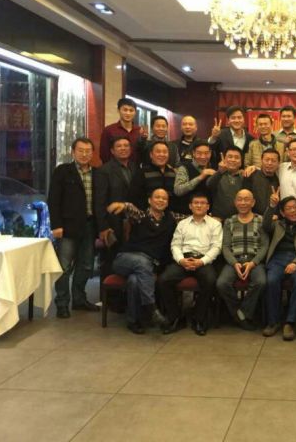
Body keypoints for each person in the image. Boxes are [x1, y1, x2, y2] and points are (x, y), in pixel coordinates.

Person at [107, 188, 181, 334]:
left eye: (164, 198)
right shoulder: (141, 216)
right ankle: (152, 308)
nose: (160, 200)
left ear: (167, 203)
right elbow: (131, 210)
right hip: (125, 259)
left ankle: (133, 321)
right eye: (157, 197)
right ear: (149, 200)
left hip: (148, 265)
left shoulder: (172, 217)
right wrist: (124, 205)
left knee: (134, 281)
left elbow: (194, 216)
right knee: (142, 262)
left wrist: (212, 217)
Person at [156, 193, 223, 336]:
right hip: (184, 259)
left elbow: (216, 247)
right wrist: (181, 260)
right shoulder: (182, 224)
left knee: (210, 280)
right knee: (163, 280)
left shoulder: (215, 224)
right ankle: (175, 317)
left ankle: (198, 318)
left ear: (208, 207)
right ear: (190, 206)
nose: (199, 205)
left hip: (203, 260)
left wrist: (201, 261)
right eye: (196, 203)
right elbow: (175, 245)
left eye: (202, 203)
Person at [48, 137, 99, 318]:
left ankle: (79, 299)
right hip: (67, 227)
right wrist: (56, 225)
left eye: (88, 151)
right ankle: (62, 303)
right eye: (80, 150)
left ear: (92, 153)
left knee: (86, 265)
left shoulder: (97, 173)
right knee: (64, 266)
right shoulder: (63, 171)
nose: (84, 154)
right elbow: (53, 200)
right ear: (73, 152)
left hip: (90, 225)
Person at [262, 195, 296, 340]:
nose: (293, 211)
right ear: (283, 212)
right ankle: (273, 321)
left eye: (295, 207)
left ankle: (290, 322)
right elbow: (265, 225)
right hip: (278, 259)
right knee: (271, 281)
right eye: (289, 208)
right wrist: (271, 206)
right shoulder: (277, 224)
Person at [216, 189, 268, 330]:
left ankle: (242, 313)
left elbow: (264, 245)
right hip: (234, 261)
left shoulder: (261, 220)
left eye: (247, 199)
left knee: (261, 282)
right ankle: (238, 313)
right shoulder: (229, 221)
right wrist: (234, 263)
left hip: (254, 260)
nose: (243, 202)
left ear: (253, 202)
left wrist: (253, 263)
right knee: (221, 283)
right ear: (235, 202)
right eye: (240, 199)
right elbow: (225, 246)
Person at [94, 137, 137, 277]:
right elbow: (99, 201)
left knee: (130, 261)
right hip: (113, 223)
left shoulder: (135, 167)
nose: (123, 148)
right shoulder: (104, 170)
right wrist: (103, 227)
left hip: (133, 222)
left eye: (126, 145)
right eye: (119, 146)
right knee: (110, 262)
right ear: (112, 151)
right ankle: (107, 292)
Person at [128, 141, 177, 212]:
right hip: (147, 215)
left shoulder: (173, 173)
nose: (162, 154)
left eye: (165, 152)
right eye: (158, 152)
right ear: (151, 155)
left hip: (170, 216)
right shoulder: (142, 172)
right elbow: (133, 197)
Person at [173, 140, 216, 214]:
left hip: (208, 214)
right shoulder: (184, 168)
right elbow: (178, 191)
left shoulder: (214, 169)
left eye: (206, 153)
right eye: (199, 153)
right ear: (193, 153)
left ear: (210, 153)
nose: (203, 156)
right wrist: (200, 177)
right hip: (186, 214)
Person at [206, 146, 245, 220]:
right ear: (223, 159)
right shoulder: (217, 175)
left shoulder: (245, 177)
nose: (233, 160)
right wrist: (219, 172)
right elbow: (209, 184)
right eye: (230, 157)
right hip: (218, 219)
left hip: (239, 220)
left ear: (241, 162)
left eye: (236, 157)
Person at [99, 97, 142, 164]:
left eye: (131, 110)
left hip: (135, 168)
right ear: (118, 110)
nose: (128, 113)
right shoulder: (109, 130)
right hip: (114, 168)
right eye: (125, 110)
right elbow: (104, 154)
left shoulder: (139, 130)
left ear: (135, 112)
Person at [242, 148, 280, 214]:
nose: (269, 163)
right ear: (261, 160)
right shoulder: (251, 175)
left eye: (273, 161)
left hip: (273, 217)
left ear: (278, 163)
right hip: (253, 217)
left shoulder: (279, 179)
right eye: (267, 160)